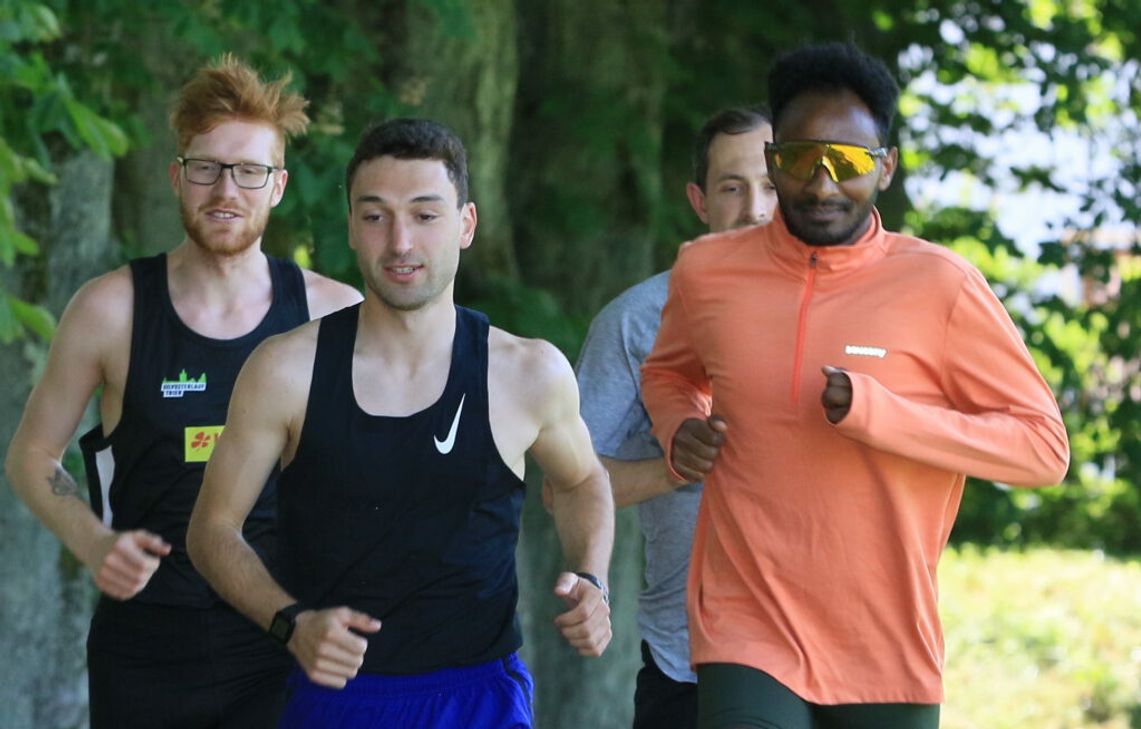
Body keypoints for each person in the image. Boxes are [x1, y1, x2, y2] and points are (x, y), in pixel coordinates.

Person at [641, 42, 1069, 729]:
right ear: (772, 160)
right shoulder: (706, 270)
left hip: (885, 641)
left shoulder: (941, 285)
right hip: (746, 621)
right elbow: (668, 372)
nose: (821, 185)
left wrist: (882, 414)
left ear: (886, 166)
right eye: (799, 160)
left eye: (848, 162)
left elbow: (1042, 449)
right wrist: (679, 427)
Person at [186, 117, 615, 729]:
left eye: (425, 214)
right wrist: (292, 623)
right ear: (351, 228)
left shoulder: (528, 372)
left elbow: (581, 480)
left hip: (480, 698)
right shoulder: (285, 371)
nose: (400, 241)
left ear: (466, 224)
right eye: (375, 215)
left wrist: (593, 577)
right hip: (336, 695)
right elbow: (212, 530)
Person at [4, 54, 362, 728]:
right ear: (177, 177)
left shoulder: (333, 315)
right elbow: (31, 455)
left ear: (278, 186)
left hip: (287, 641)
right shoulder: (110, 310)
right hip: (146, 646)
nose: (226, 189)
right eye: (206, 167)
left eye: (249, 170)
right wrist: (93, 542)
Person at [573, 105, 776, 729]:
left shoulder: (847, 308)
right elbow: (566, 486)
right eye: (732, 188)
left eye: (771, 185)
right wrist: (676, 469)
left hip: (832, 654)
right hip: (688, 661)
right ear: (699, 200)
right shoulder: (637, 320)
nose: (755, 208)